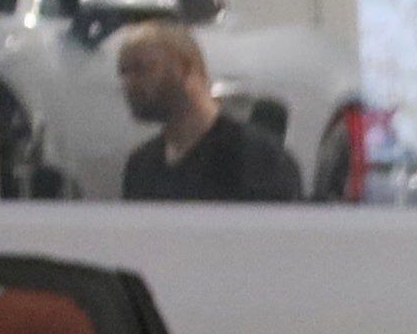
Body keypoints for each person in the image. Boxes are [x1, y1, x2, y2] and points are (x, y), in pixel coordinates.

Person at [112, 21, 304, 203]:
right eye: (124, 73)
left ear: (185, 68)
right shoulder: (142, 167)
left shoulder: (256, 159)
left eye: (142, 69)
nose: (129, 83)